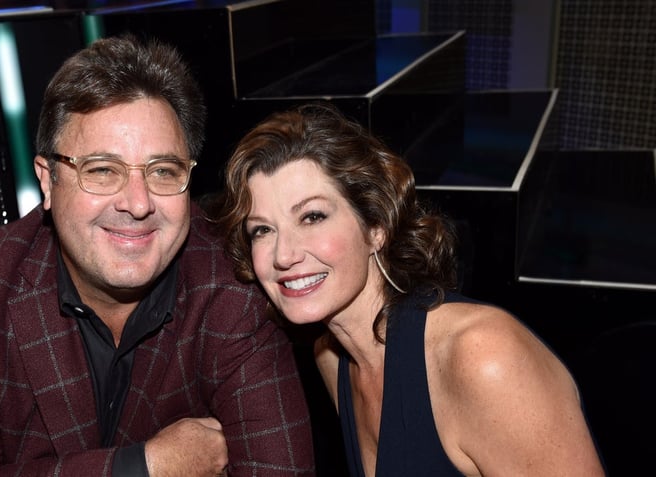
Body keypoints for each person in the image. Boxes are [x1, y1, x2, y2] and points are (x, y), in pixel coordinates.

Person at [0, 34, 315, 477]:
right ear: (48, 181)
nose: (138, 204)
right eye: (102, 170)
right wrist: (143, 466)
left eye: (162, 171)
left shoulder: (236, 284)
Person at [212, 103, 605, 476]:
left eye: (312, 216)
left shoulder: (484, 357)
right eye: (262, 230)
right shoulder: (332, 359)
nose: (284, 254)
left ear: (376, 227)